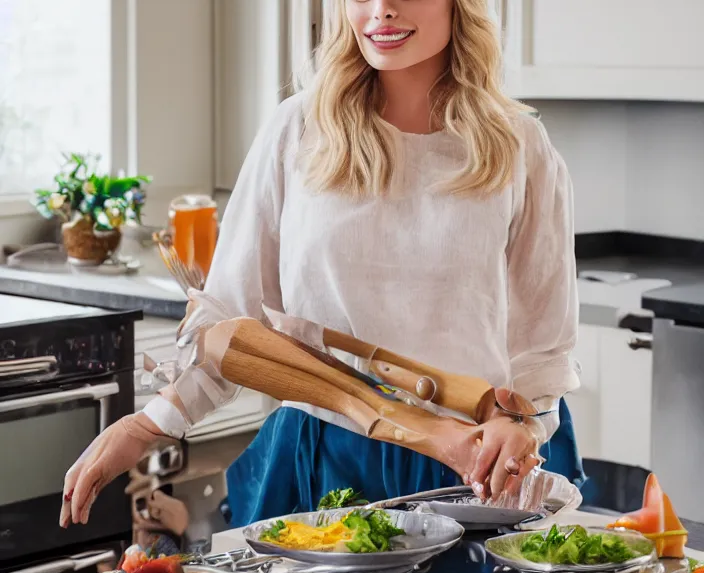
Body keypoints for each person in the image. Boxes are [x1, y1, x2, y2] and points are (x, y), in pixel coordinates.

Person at [60, 0, 582, 532]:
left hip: (477, 470)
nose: (382, 10)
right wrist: (150, 424)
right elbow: (231, 328)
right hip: (324, 455)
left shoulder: (520, 146)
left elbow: (543, 344)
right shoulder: (299, 130)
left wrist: (523, 425)